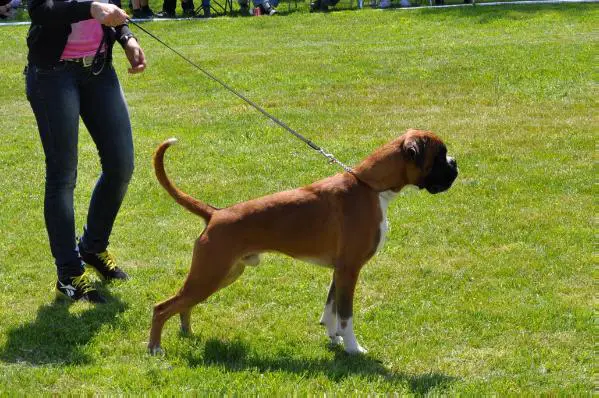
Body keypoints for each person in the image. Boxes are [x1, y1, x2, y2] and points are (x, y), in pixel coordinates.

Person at [26, 0, 146, 303]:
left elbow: (113, 9)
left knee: (121, 165)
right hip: (53, 75)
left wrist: (127, 37)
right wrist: (91, 9)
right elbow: (42, 11)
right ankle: (68, 273)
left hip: (99, 69)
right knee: (63, 175)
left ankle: (92, 247)